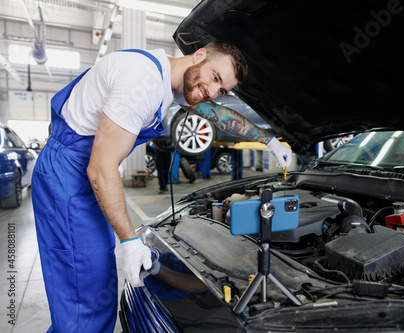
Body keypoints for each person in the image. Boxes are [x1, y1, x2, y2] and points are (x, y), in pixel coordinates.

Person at [31, 41, 291, 333]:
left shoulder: (173, 83)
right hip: (67, 175)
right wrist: (129, 241)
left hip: (81, 173)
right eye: (215, 78)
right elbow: (101, 169)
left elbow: (217, 114)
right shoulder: (143, 82)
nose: (214, 91)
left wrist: (268, 139)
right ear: (200, 55)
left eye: (222, 90)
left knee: (96, 276)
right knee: (84, 299)